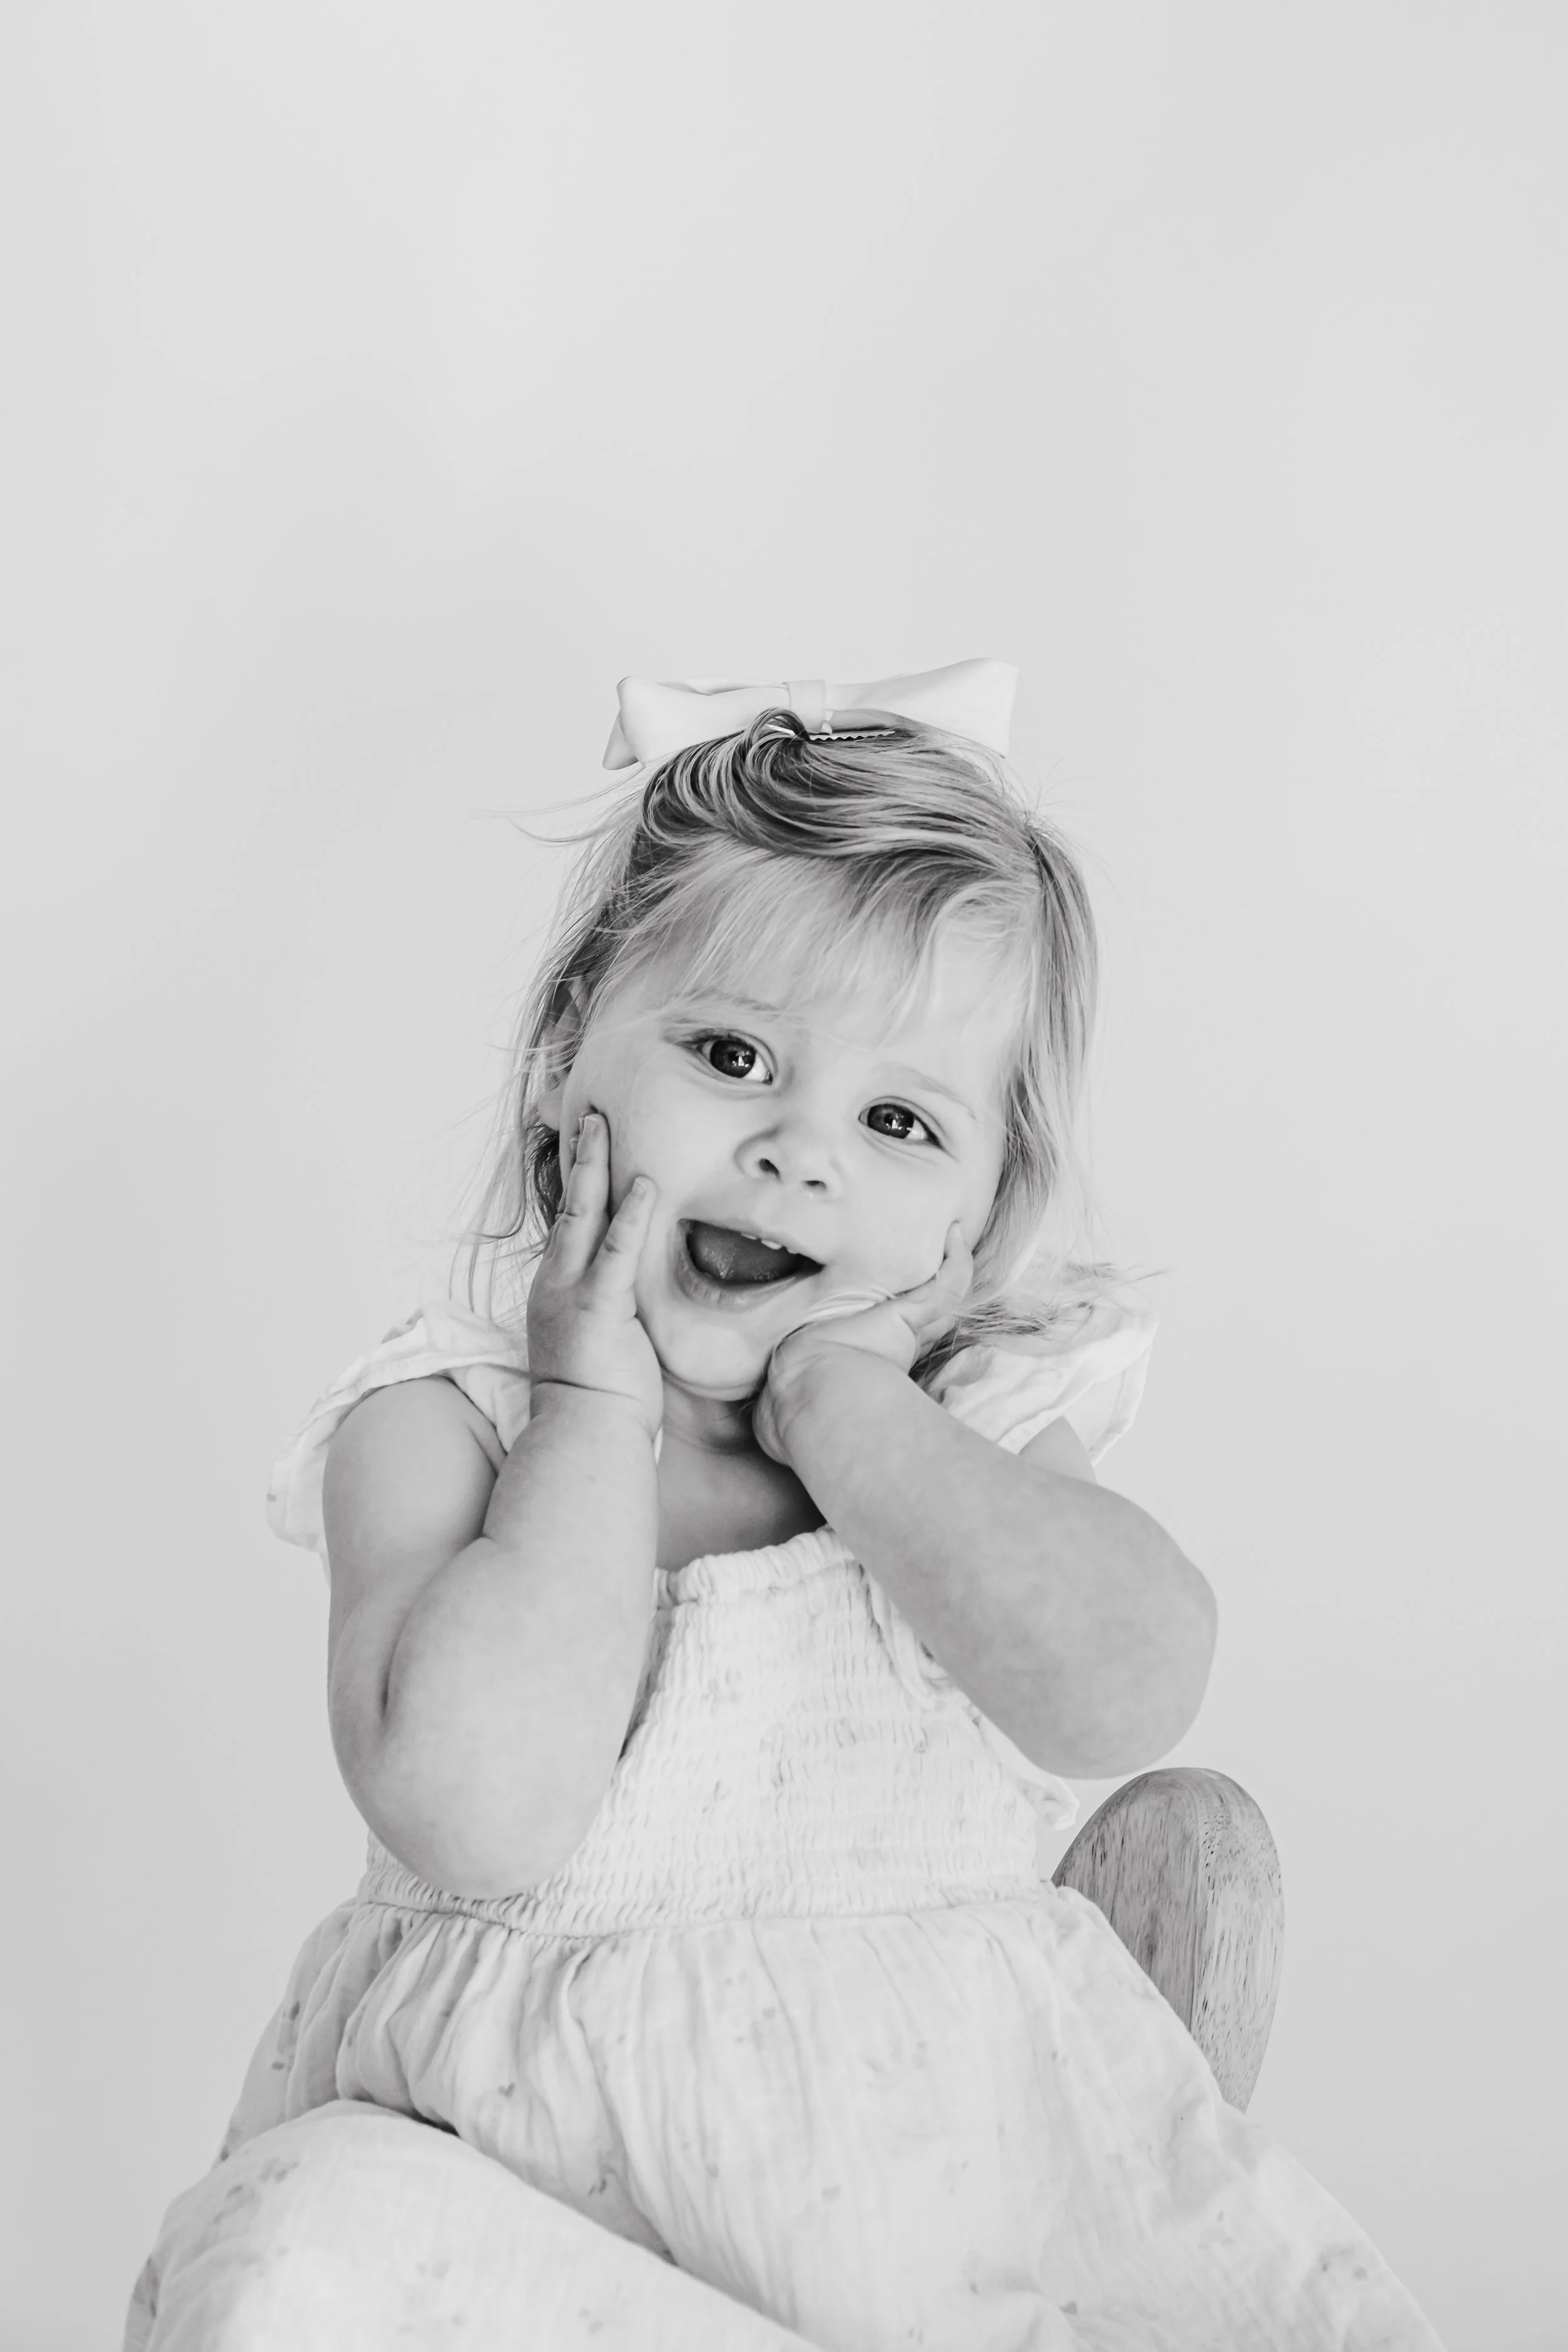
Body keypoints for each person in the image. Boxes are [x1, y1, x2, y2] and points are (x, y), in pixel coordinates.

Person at [125, 665, 1443, 2350]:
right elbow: (476, 1808)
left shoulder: (961, 1428)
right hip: (523, 2245)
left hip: (940, 2225)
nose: (797, 1148)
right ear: (559, 1070)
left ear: (967, 1233)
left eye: (897, 1119)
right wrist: (595, 1410)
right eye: (732, 1052)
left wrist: (850, 1410)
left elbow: (1131, 1685)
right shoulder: (448, 1417)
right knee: (309, 2243)